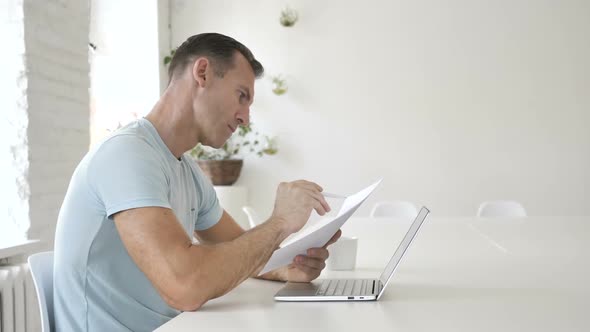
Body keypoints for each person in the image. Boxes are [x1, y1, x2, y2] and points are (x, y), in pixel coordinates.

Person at [53, 32, 341, 332]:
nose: (245, 118)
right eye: (241, 95)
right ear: (202, 73)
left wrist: (286, 268)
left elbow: (238, 250)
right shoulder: (126, 155)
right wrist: (280, 222)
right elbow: (184, 286)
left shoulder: (186, 171)